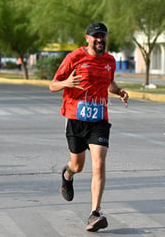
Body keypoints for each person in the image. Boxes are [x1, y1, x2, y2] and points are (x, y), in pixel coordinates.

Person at [49, 22, 129, 232]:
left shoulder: (110, 61)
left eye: (103, 36)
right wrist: (66, 83)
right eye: (96, 36)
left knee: (99, 163)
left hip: (99, 119)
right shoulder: (74, 58)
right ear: (87, 38)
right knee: (78, 165)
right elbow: (52, 85)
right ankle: (67, 175)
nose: (100, 40)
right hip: (75, 118)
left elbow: (109, 83)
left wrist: (119, 91)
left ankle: (95, 213)